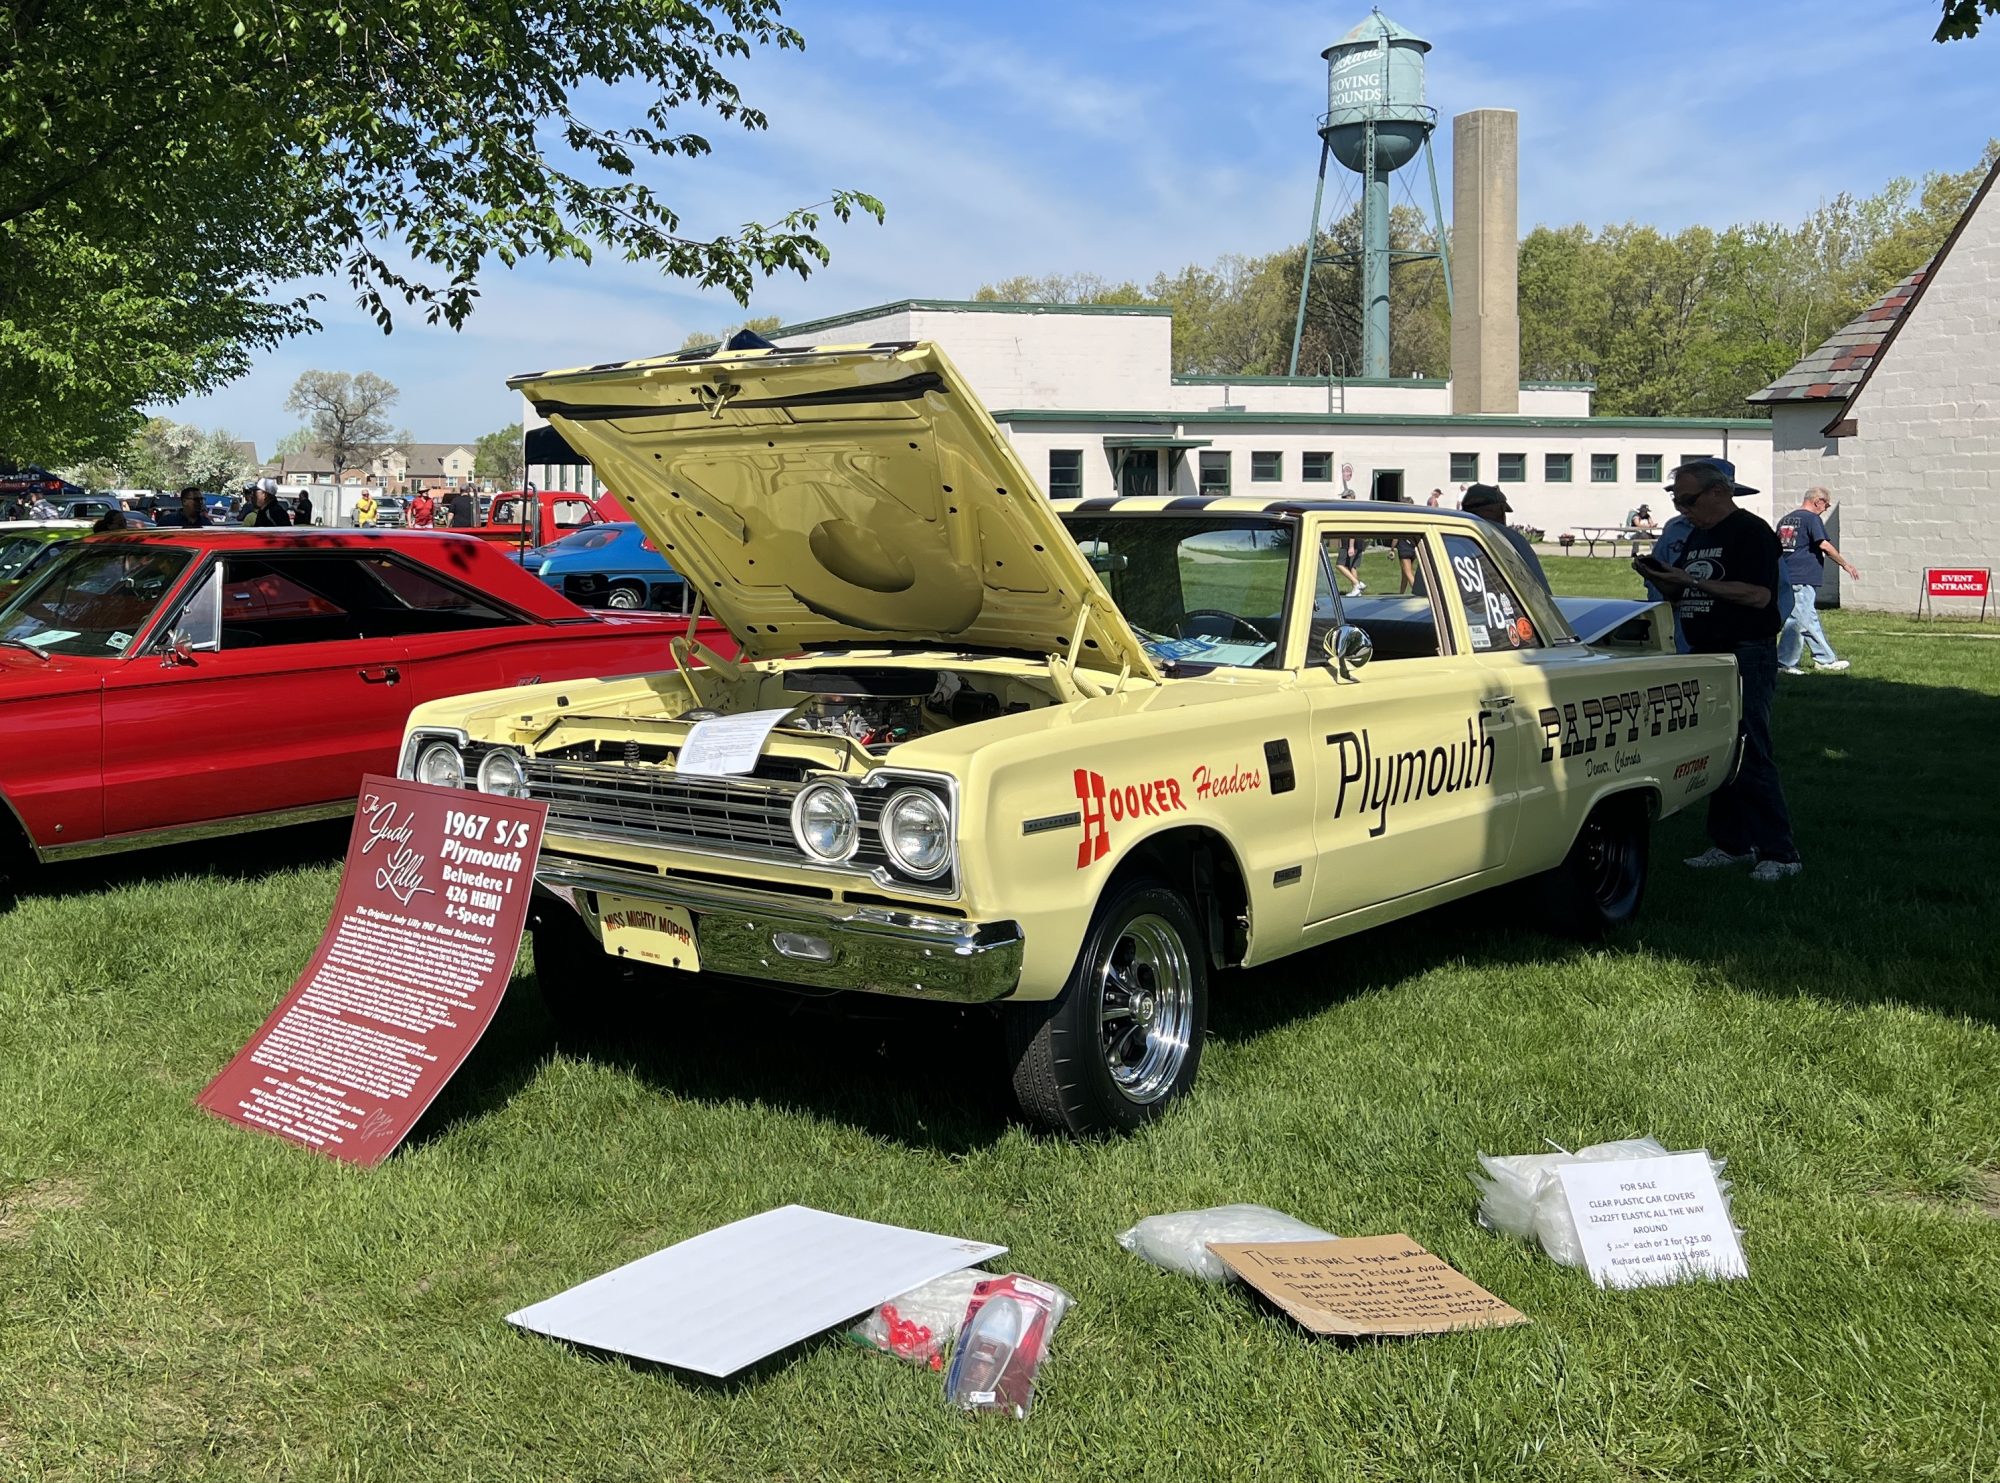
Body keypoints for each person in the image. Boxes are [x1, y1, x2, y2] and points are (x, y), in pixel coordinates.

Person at [1632, 456, 1801, 882]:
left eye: (1688, 500)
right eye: (1675, 501)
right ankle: (1731, 844)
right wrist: (1665, 578)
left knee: (1751, 747)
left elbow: (1759, 596)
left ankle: (1780, 852)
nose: (1682, 510)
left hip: (1745, 651)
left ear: (1718, 492)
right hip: (1705, 652)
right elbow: (1689, 584)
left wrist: (1692, 582)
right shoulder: (1695, 536)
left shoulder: (1750, 532)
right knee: (1720, 747)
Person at [1775, 486, 1858, 675]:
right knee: (1796, 621)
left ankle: (1825, 659)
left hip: (1787, 575)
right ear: (1817, 501)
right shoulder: (1812, 519)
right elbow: (1824, 545)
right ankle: (1784, 662)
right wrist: (1845, 564)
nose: (1826, 508)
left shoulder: (1785, 520)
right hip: (1802, 577)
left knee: (1807, 618)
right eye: (1826, 504)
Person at [1460, 483, 1552, 593]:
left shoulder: (1453, 534)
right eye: (1503, 511)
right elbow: (1541, 590)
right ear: (1496, 510)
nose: (1504, 517)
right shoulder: (1512, 539)